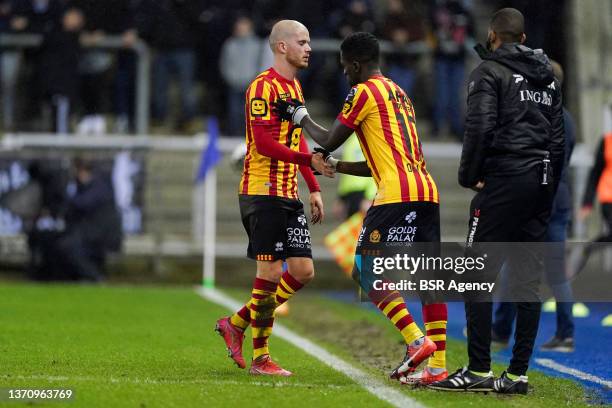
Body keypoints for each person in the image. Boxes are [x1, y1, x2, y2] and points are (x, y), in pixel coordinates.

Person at [274, 31, 449, 385]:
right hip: (426, 191)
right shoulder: (400, 94)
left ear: (355, 65)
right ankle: (438, 367)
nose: (344, 74)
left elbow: (329, 137)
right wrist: (336, 166)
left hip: (396, 194)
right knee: (430, 279)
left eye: (344, 67)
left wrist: (299, 116)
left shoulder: (363, 91)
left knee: (364, 271)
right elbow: (375, 163)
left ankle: (416, 340)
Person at [428, 8, 564, 394]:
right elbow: (557, 141)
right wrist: (547, 189)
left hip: (505, 179)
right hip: (540, 181)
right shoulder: (550, 80)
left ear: (492, 36)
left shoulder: (488, 73)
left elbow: (480, 128)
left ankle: (478, 370)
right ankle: (518, 375)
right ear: (523, 38)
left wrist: (469, 177)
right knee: (527, 281)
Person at [214, 20, 331, 377]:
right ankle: (261, 358)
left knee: (302, 270)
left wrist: (312, 186)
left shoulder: (294, 88)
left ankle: (236, 323)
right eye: (302, 41)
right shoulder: (262, 88)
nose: (309, 47)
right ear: (282, 47)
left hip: (288, 193)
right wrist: (306, 162)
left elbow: (297, 142)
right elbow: (263, 144)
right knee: (269, 272)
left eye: (309, 41)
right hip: (262, 192)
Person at [492, 61, 577, 353]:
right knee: (556, 273)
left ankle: (501, 332)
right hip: (560, 198)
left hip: (536, 197)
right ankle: (566, 335)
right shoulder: (567, 118)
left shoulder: (536, 115)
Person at [575, 131, 612, 274]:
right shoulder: (607, 141)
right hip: (609, 197)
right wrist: (587, 202)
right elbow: (595, 173)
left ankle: (590, 248)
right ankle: (588, 249)